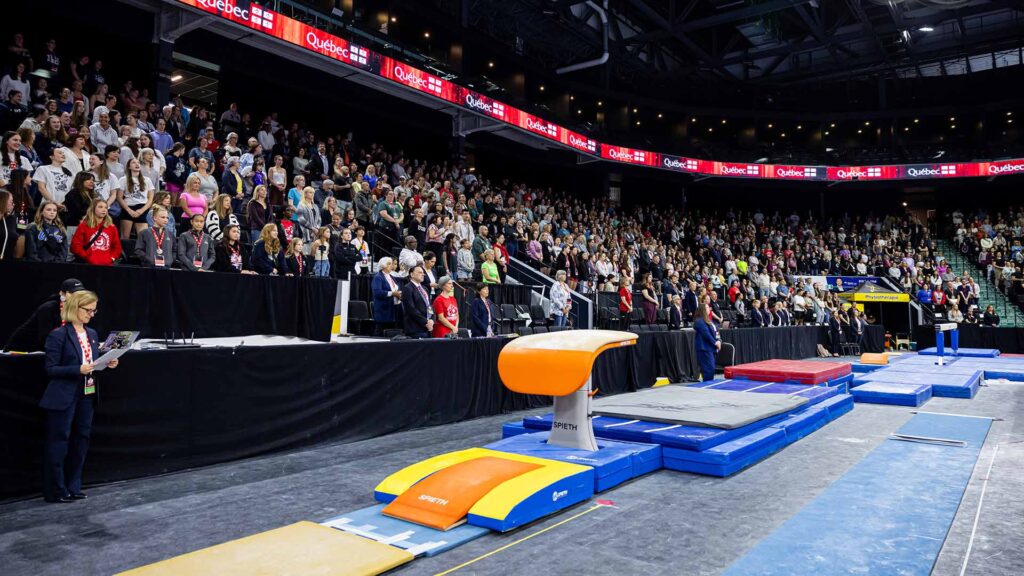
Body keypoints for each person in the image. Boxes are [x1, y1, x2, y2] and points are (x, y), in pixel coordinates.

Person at [41, 290, 118, 503]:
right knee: (59, 441)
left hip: (87, 392)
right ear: (75, 308)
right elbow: (51, 369)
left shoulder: (91, 333)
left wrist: (107, 362)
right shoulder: (58, 335)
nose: (91, 314)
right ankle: (56, 490)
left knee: (81, 439)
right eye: (88, 310)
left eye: (94, 311)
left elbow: (92, 360)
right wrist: (77, 369)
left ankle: (73, 486)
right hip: (64, 394)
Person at [4, 278, 86, 352]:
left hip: (43, 351)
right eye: (72, 293)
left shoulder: (77, 310)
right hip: (20, 350)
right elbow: (45, 339)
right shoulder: (48, 308)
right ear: (62, 293)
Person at [70, 198, 121, 265]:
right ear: (93, 209)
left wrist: (111, 258)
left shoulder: (112, 227)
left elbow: (117, 247)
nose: (104, 210)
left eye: (106, 207)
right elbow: (75, 246)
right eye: (100, 207)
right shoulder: (83, 226)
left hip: (106, 265)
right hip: (88, 265)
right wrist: (87, 257)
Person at [401, 264, 434, 338]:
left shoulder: (425, 288)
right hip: (415, 328)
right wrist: (426, 322)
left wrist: (432, 320)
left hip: (427, 328)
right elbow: (411, 309)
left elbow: (429, 305)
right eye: (420, 272)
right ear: (412, 274)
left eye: (423, 273)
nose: (423, 274)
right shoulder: (407, 288)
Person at [371, 257, 402, 335]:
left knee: (392, 332)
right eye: (389, 264)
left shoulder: (391, 277)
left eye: (392, 264)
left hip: (393, 308)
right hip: (383, 309)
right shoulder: (378, 277)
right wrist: (392, 293)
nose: (391, 266)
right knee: (381, 332)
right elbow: (377, 292)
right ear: (383, 265)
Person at [693, 303, 721, 382]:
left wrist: (719, 340)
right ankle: (707, 384)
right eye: (707, 307)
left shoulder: (709, 320)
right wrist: (715, 342)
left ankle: (708, 383)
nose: (709, 309)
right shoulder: (699, 321)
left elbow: (716, 331)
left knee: (710, 369)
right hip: (704, 348)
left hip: (711, 348)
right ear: (703, 310)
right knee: (709, 369)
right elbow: (706, 334)